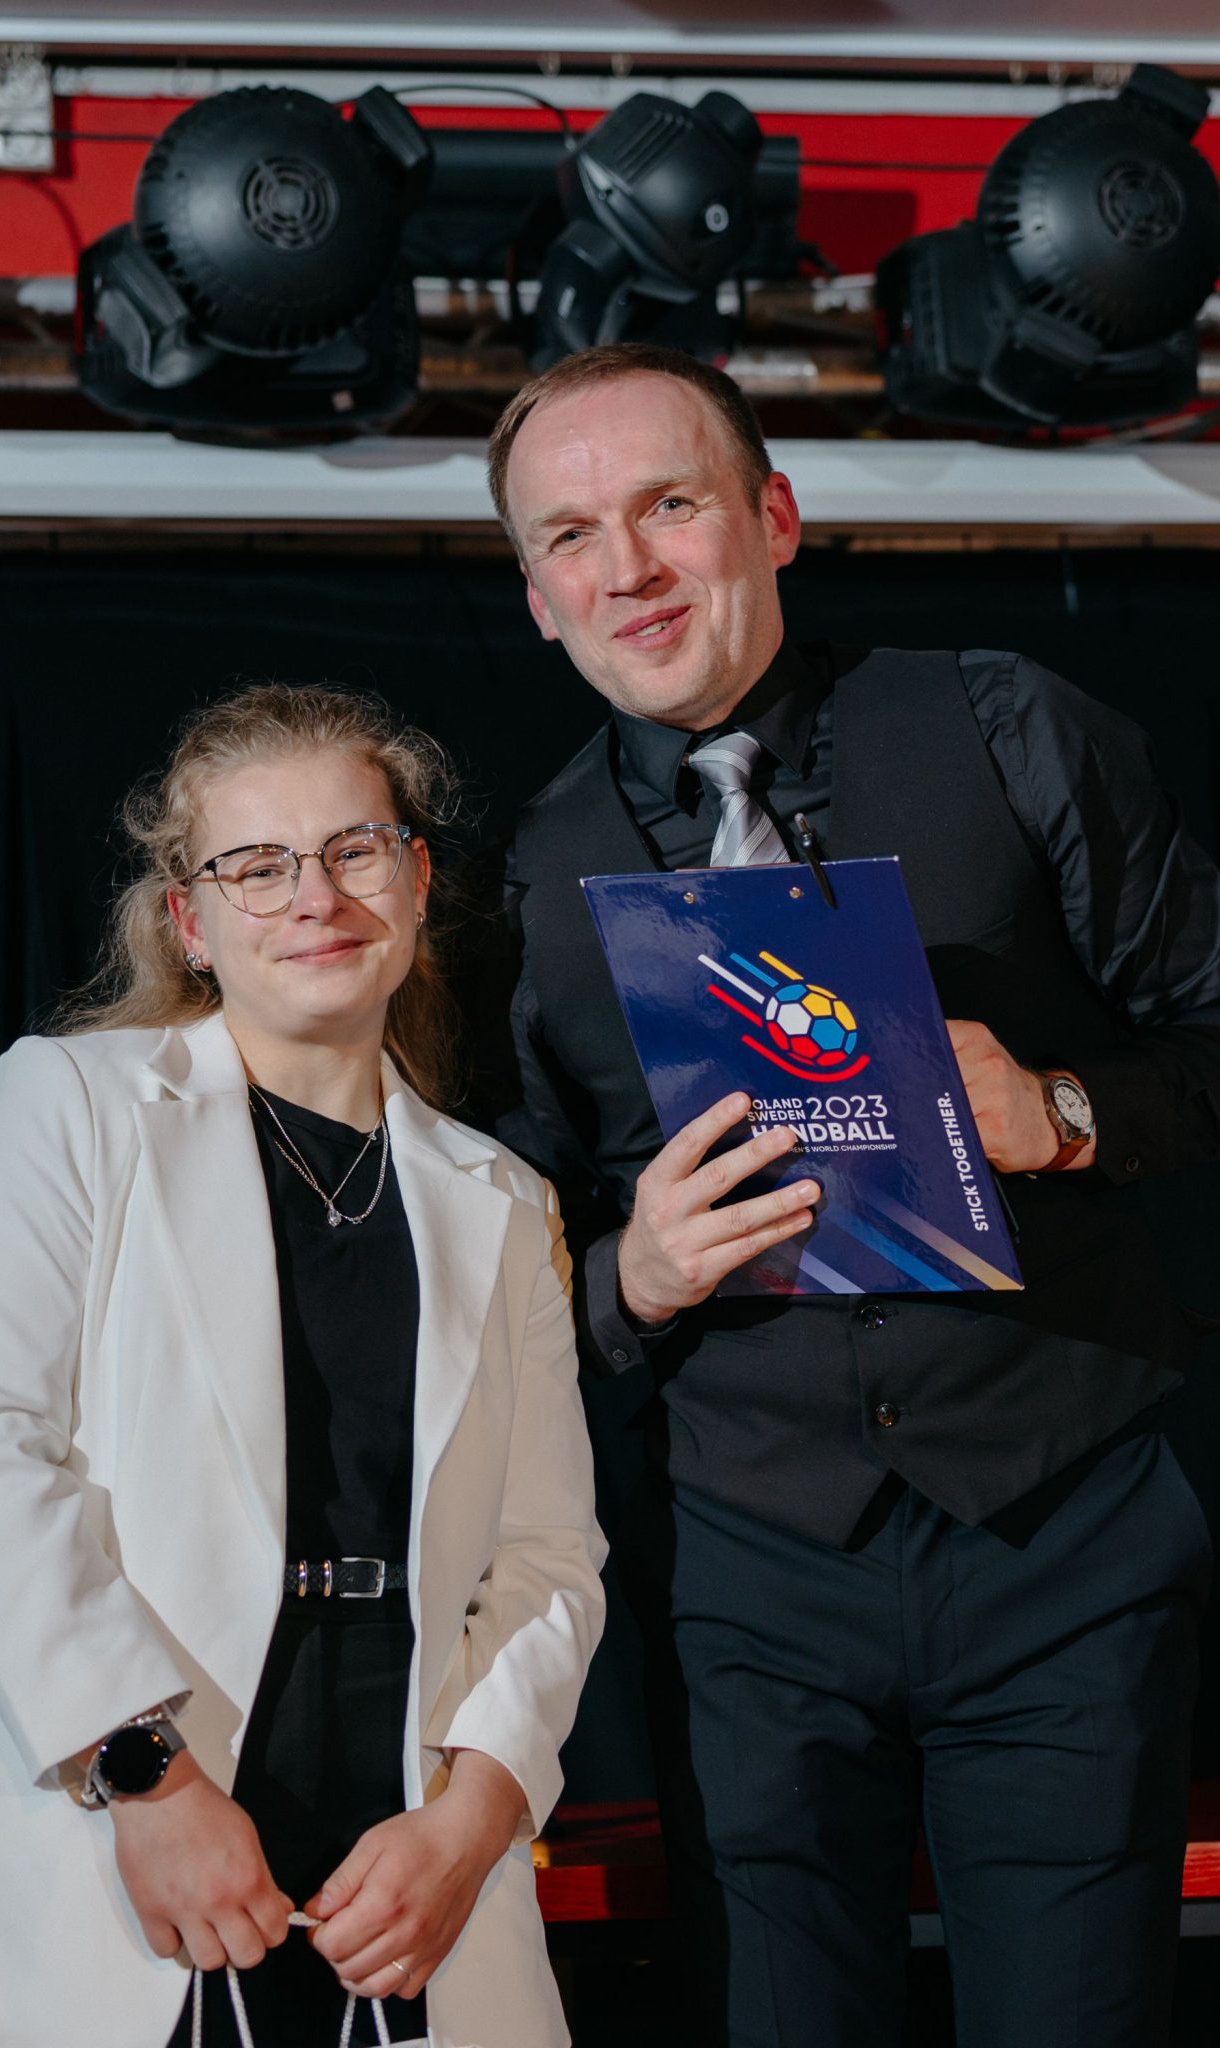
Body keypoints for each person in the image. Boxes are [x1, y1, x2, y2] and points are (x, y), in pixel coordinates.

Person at [487, 341, 1220, 2047]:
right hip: (742, 1582)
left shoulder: (1005, 723)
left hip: (1062, 1539)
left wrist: (1059, 1113)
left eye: (669, 505)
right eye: (571, 535)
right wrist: (627, 1276)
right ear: (534, 597)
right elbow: (490, 1269)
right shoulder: (518, 875)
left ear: (774, 517)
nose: (628, 567)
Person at [0, 682, 605, 2048]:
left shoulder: (502, 1199)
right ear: (191, 922)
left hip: (413, 1868)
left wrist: (477, 1814)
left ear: (416, 879)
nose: (315, 897)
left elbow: (549, 1556)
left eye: (354, 849)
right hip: (128, 1819)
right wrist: (142, 1775)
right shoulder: (67, 1106)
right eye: (257, 867)